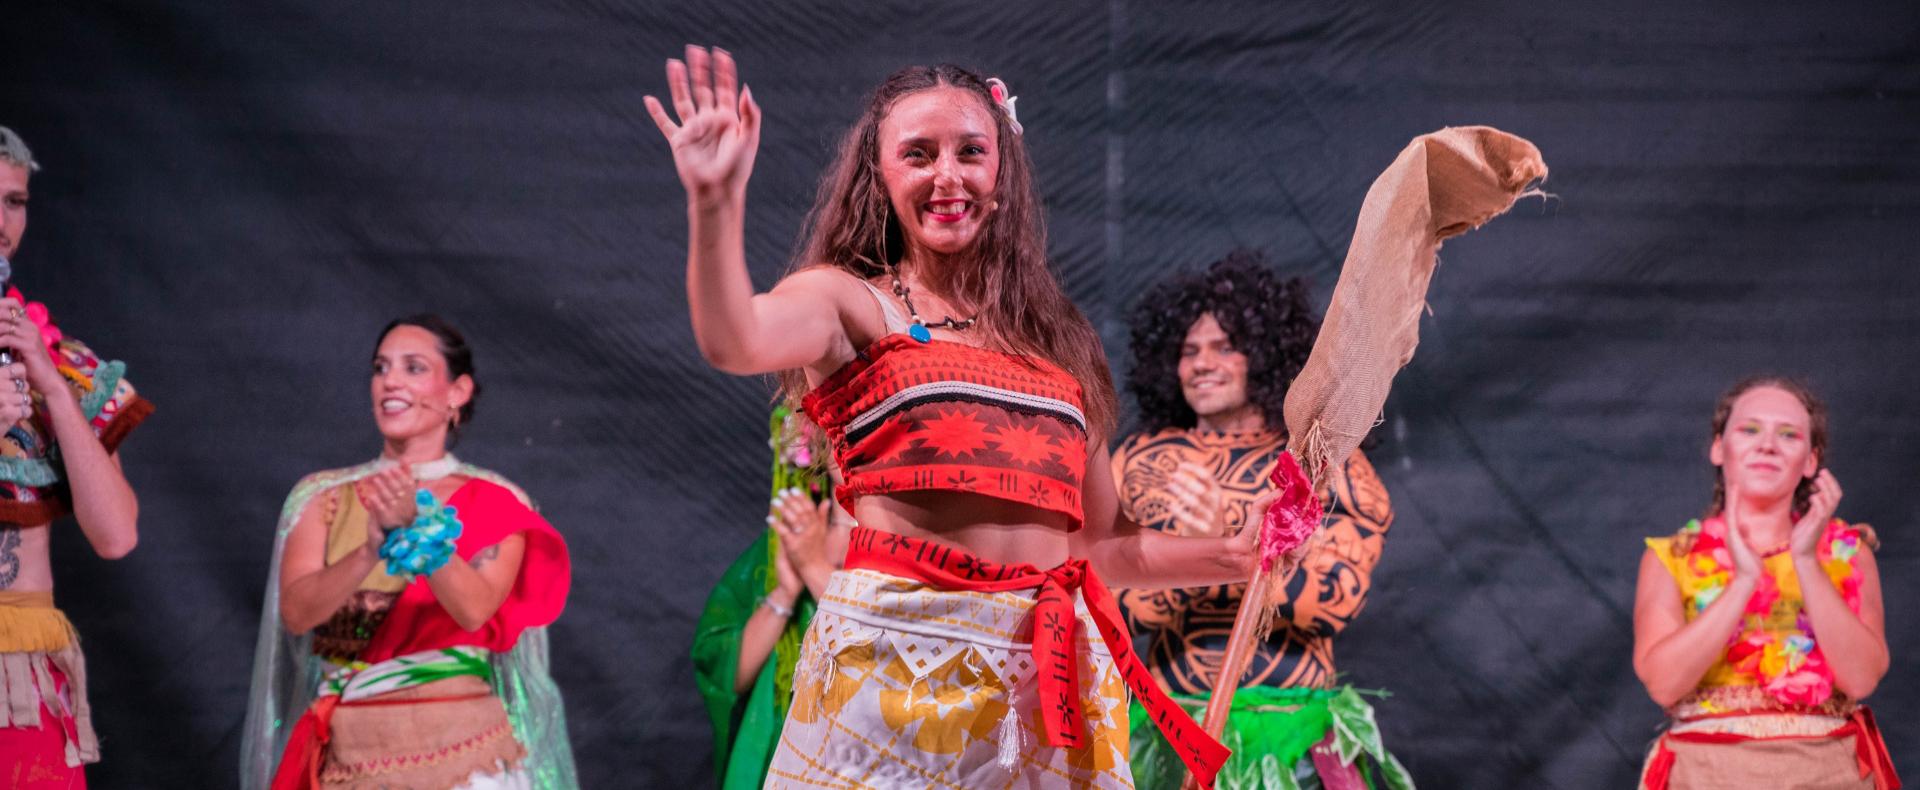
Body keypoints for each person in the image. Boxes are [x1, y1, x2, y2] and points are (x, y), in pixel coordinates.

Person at [647, 46, 1270, 788]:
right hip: (895, 672)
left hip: (1043, 681)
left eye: (970, 152)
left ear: (1000, 171)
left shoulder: (1058, 342)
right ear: (879, 176)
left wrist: (1233, 553)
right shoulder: (850, 303)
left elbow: (1105, 547)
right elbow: (734, 340)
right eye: (918, 154)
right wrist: (714, 203)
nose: (949, 175)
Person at [1114, 252, 1411, 790]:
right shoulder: (1134, 461)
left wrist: (1210, 543)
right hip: (1170, 734)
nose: (1202, 363)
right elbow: (1100, 601)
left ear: (1266, 355)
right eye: (1188, 351)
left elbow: (1336, 600)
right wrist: (1206, 556)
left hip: (1289, 734)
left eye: (1225, 347)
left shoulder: (1321, 463)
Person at [240, 315, 576, 790]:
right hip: (352, 756)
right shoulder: (323, 497)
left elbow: (475, 609)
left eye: (414, 368)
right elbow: (296, 614)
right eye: (381, 368)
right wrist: (370, 547)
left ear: (457, 392)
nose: (390, 381)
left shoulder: (497, 500)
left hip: (465, 758)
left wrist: (416, 528)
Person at [1633, 377, 1896, 790]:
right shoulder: (1672, 557)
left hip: (1825, 773)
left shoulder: (1848, 553)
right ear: (1719, 448)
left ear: (1811, 461)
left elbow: (1861, 679)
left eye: (1789, 435)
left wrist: (1806, 560)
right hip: (1708, 775)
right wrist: (1744, 582)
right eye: (1749, 429)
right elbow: (1663, 684)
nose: (1768, 444)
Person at [0, 125, 152, 787]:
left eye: (14, 200)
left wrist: (54, 390)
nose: (0, 221)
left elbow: (117, 536)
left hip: (23, 681)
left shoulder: (64, 364)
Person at [693, 406, 852, 789]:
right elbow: (726, 673)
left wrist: (815, 569)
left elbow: (886, 650)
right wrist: (784, 591)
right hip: (775, 755)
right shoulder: (788, 541)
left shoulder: (895, 546)